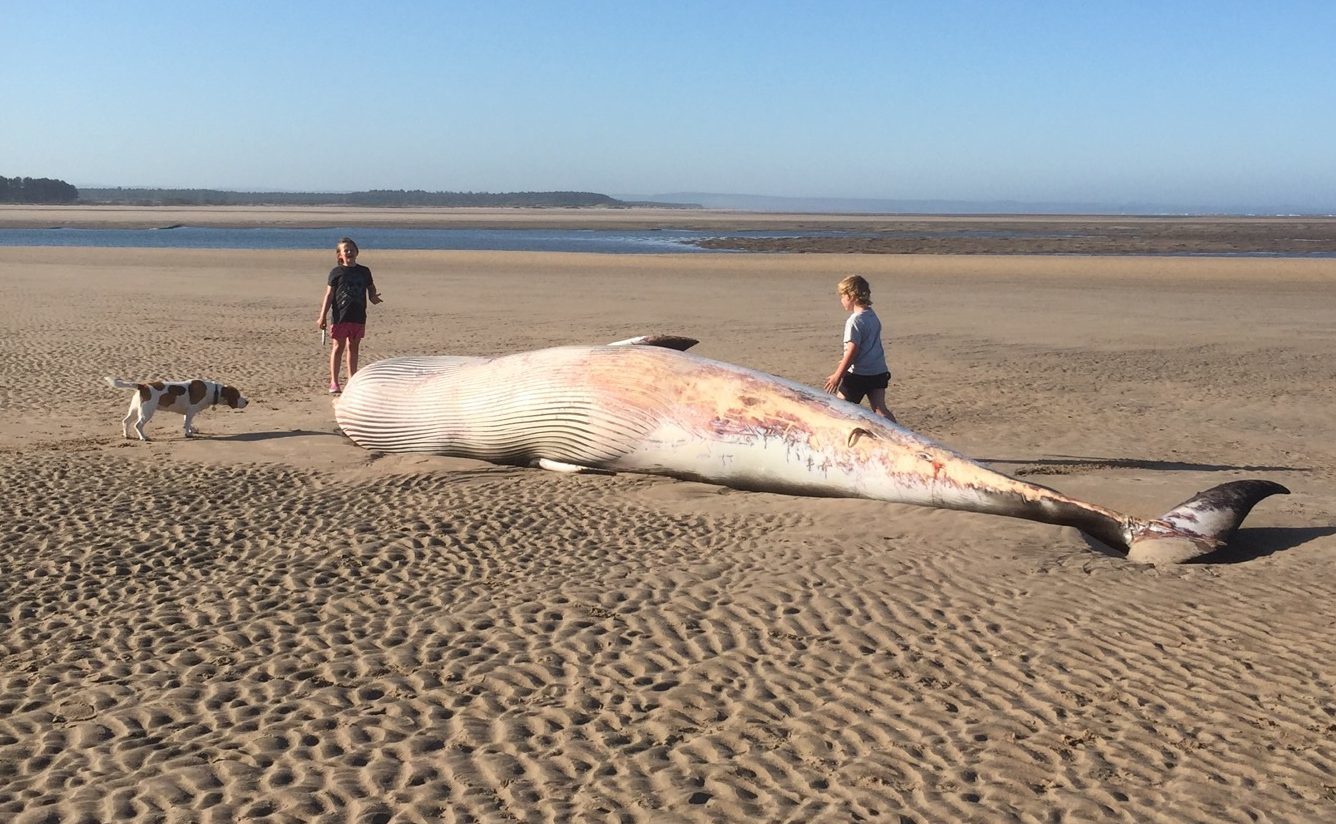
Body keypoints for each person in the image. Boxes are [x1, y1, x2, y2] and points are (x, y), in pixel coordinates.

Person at [823, 274, 897, 422]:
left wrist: (837, 376)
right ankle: (902, 435)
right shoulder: (871, 315)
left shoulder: (854, 321)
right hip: (878, 371)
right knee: (880, 409)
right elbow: (867, 346)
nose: (841, 300)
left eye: (842, 296)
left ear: (851, 296)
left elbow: (853, 351)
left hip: (859, 374)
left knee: (840, 409)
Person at [316, 237, 382, 393]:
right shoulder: (336, 272)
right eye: (346, 250)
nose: (349, 252)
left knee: (353, 347)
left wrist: (373, 296)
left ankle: (352, 379)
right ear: (340, 255)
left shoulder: (364, 271)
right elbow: (329, 295)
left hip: (358, 315)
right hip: (340, 316)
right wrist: (322, 316)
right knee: (338, 347)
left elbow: (371, 287)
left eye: (352, 249)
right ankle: (334, 381)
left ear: (357, 252)